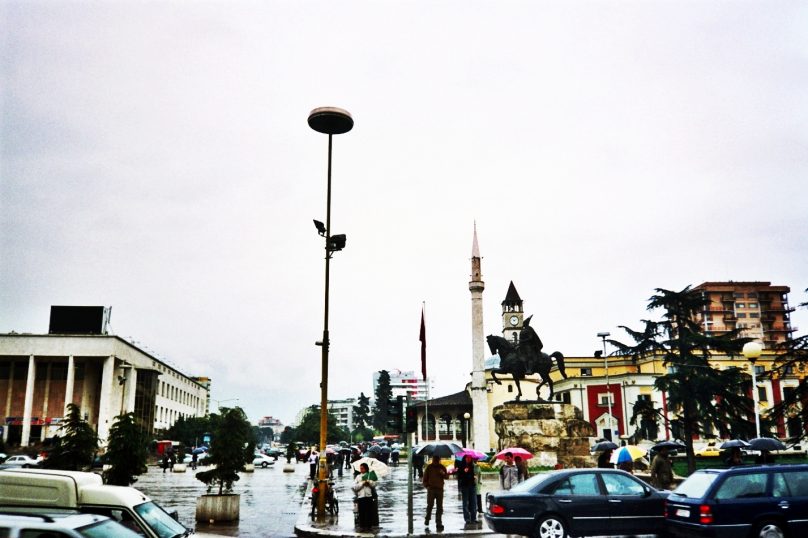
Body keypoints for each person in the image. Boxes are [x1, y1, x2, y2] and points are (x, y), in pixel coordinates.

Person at [422, 454, 448, 530]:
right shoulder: (429, 467)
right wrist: (427, 486)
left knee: (439, 507)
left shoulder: (442, 467)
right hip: (431, 490)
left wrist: (443, 473)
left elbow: (446, 476)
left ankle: (438, 522)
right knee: (430, 505)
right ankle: (427, 518)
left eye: (437, 460)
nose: (435, 461)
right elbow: (425, 479)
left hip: (439, 490)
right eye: (434, 459)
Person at [352, 462, 378, 530]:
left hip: (369, 497)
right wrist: (362, 483)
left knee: (369, 512)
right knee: (362, 513)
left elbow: (374, 484)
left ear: (366, 469)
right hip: (361, 497)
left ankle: (369, 526)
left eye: (362, 468)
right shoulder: (358, 477)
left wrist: (369, 483)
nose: (361, 470)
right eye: (360, 468)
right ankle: (362, 526)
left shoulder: (369, 475)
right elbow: (354, 487)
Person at [455, 454, 477, 524]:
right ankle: (467, 518)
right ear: (465, 458)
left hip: (472, 486)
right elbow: (459, 477)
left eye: (470, 458)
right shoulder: (461, 466)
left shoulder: (472, 466)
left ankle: (473, 518)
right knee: (465, 503)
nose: (468, 459)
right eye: (467, 458)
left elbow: (473, 475)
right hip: (465, 486)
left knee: (473, 502)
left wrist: (473, 476)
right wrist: (464, 472)